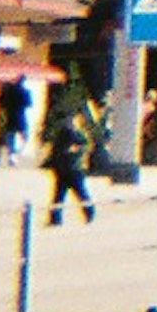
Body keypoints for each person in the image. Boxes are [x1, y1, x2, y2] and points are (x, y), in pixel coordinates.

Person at [42, 82, 104, 226]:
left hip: (74, 168)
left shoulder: (79, 135)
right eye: (67, 121)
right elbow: (56, 151)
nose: (69, 123)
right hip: (63, 169)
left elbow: (84, 147)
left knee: (81, 193)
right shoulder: (63, 134)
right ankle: (55, 218)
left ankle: (90, 213)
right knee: (58, 196)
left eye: (71, 121)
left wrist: (75, 152)